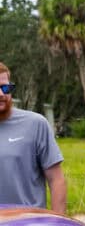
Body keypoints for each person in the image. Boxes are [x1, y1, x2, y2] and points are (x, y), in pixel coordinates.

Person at [0, 61, 66, 214]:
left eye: (5, 88)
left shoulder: (35, 124)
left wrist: (59, 224)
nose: (1, 94)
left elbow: (56, 180)